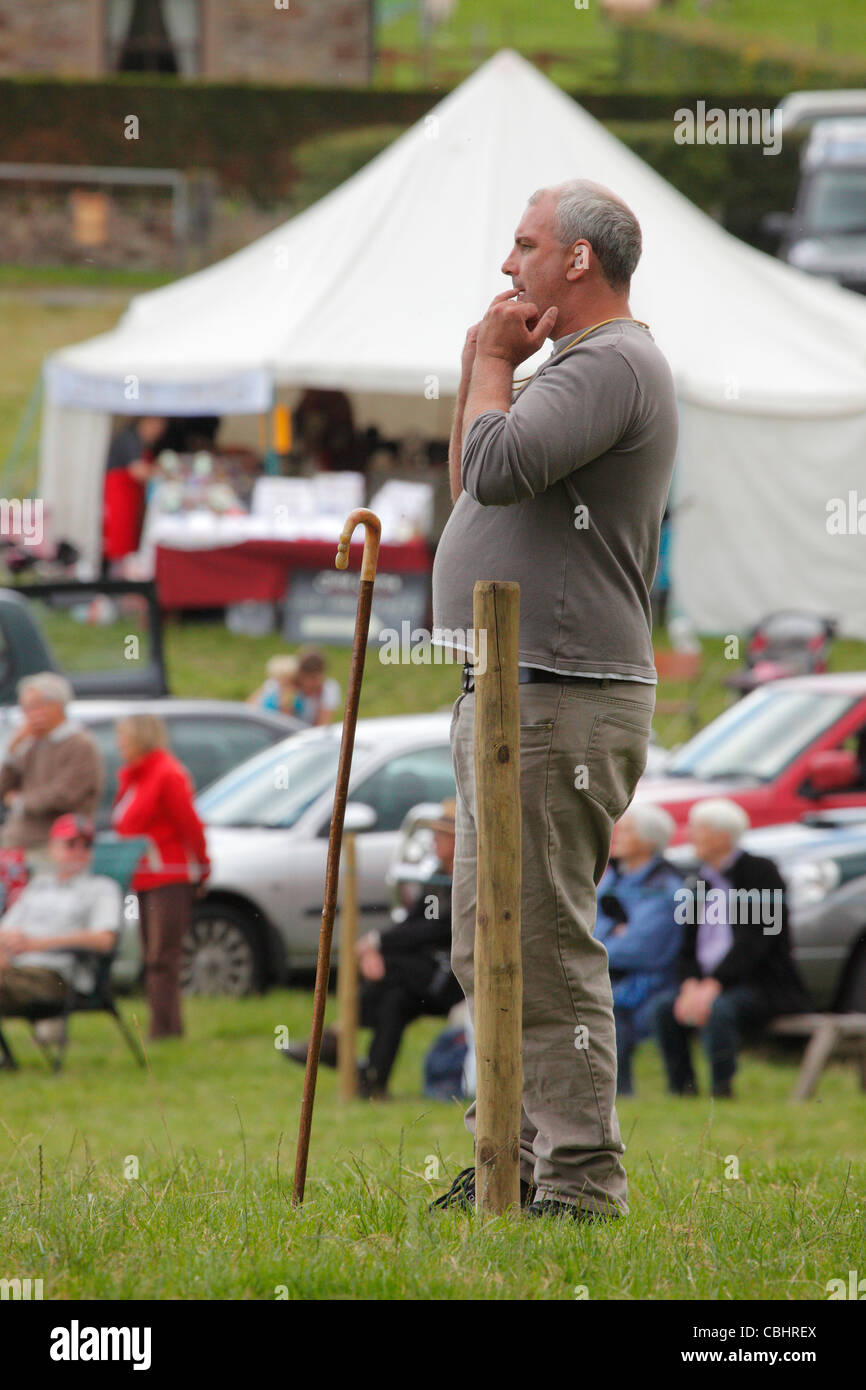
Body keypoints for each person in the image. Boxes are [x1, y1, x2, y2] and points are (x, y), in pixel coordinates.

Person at [430, 179, 678, 1222]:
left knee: (540, 940)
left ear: (577, 260)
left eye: (523, 245)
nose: (506, 266)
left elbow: (496, 468)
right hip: (515, 688)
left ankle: (576, 1183)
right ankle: (513, 1162)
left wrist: (492, 364)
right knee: (485, 939)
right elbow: (471, 477)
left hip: (560, 692)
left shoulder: (613, 361)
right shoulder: (575, 368)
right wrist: (474, 371)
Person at [284, 800, 462, 1097]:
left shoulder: (469, 880)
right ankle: (374, 1082)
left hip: (453, 980)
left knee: (390, 969)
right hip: (420, 977)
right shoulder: (436, 880)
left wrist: (377, 945)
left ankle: (337, 1035)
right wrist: (375, 946)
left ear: (459, 840)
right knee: (395, 999)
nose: (434, 840)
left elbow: (436, 929)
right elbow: (412, 924)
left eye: (441, 835)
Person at [652, 798, 808, 1099]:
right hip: (708, 984)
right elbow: (687, 946)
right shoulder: (698, 882)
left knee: (719, 1010)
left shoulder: (761, 873)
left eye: (699, 829)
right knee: (663, 1009)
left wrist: (713, 985)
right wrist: (689, 986)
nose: (691, 836)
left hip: (758, 983)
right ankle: (681, 1091)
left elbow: (757, 941)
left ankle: (721, 1092)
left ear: (723, 836)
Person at [111, 714, 209, 1040]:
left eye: (125, 737)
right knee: (152, 956)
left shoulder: (166, 773)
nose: (119, 744)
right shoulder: (133, 776)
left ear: (141, 737)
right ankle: (164, 1027)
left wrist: (202, 863)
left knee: (161, 957)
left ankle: (165, 1031)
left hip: (169, 875)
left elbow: (189, 822)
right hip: (144, 877)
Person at [0, 814, 121, 1055]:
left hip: (58, 976)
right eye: (70, 844)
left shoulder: (102, 888)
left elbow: (105, 939)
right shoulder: (38, 887)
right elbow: (5, 929)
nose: (78, 851)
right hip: (16, 970)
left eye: (86, 844)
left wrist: (40, 944)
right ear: (52, 849)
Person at [593, 803, 683, 1096]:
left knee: (606, 1009)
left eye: (628, 830)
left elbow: (641, 948)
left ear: (648, 840)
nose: (617, 834)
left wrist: (599, 941)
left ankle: (617, 1095)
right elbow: (584, 924)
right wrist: (612, 932)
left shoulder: (666, 887)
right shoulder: (613, 879)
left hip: (650, 983)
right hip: (611, 976)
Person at [0, 673, 104, 867]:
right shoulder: (31, 744)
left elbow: (63, 795)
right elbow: (3, 788)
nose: (29, 714)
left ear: (56, 706)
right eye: (26, 708)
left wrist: (21, 801)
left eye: (34, 707)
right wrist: (12, 749)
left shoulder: (80, 745)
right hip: (16, 844)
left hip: (53, 848)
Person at [102, 416, 166, 567]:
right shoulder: (130, 438)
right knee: (117, 538)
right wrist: (160, 473)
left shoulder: (141, 442)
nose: (158, 433)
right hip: (118, 494)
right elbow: (137, 471)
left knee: (128, 537)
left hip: (130, 496)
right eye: (156, 427)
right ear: (145, 422)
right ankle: (115, 577)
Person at [289, 648, 340, 727]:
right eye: (304, 677)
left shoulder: (329, 688)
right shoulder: (282, 684)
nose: (308, 683)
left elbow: (322, 725)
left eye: (313, 678)